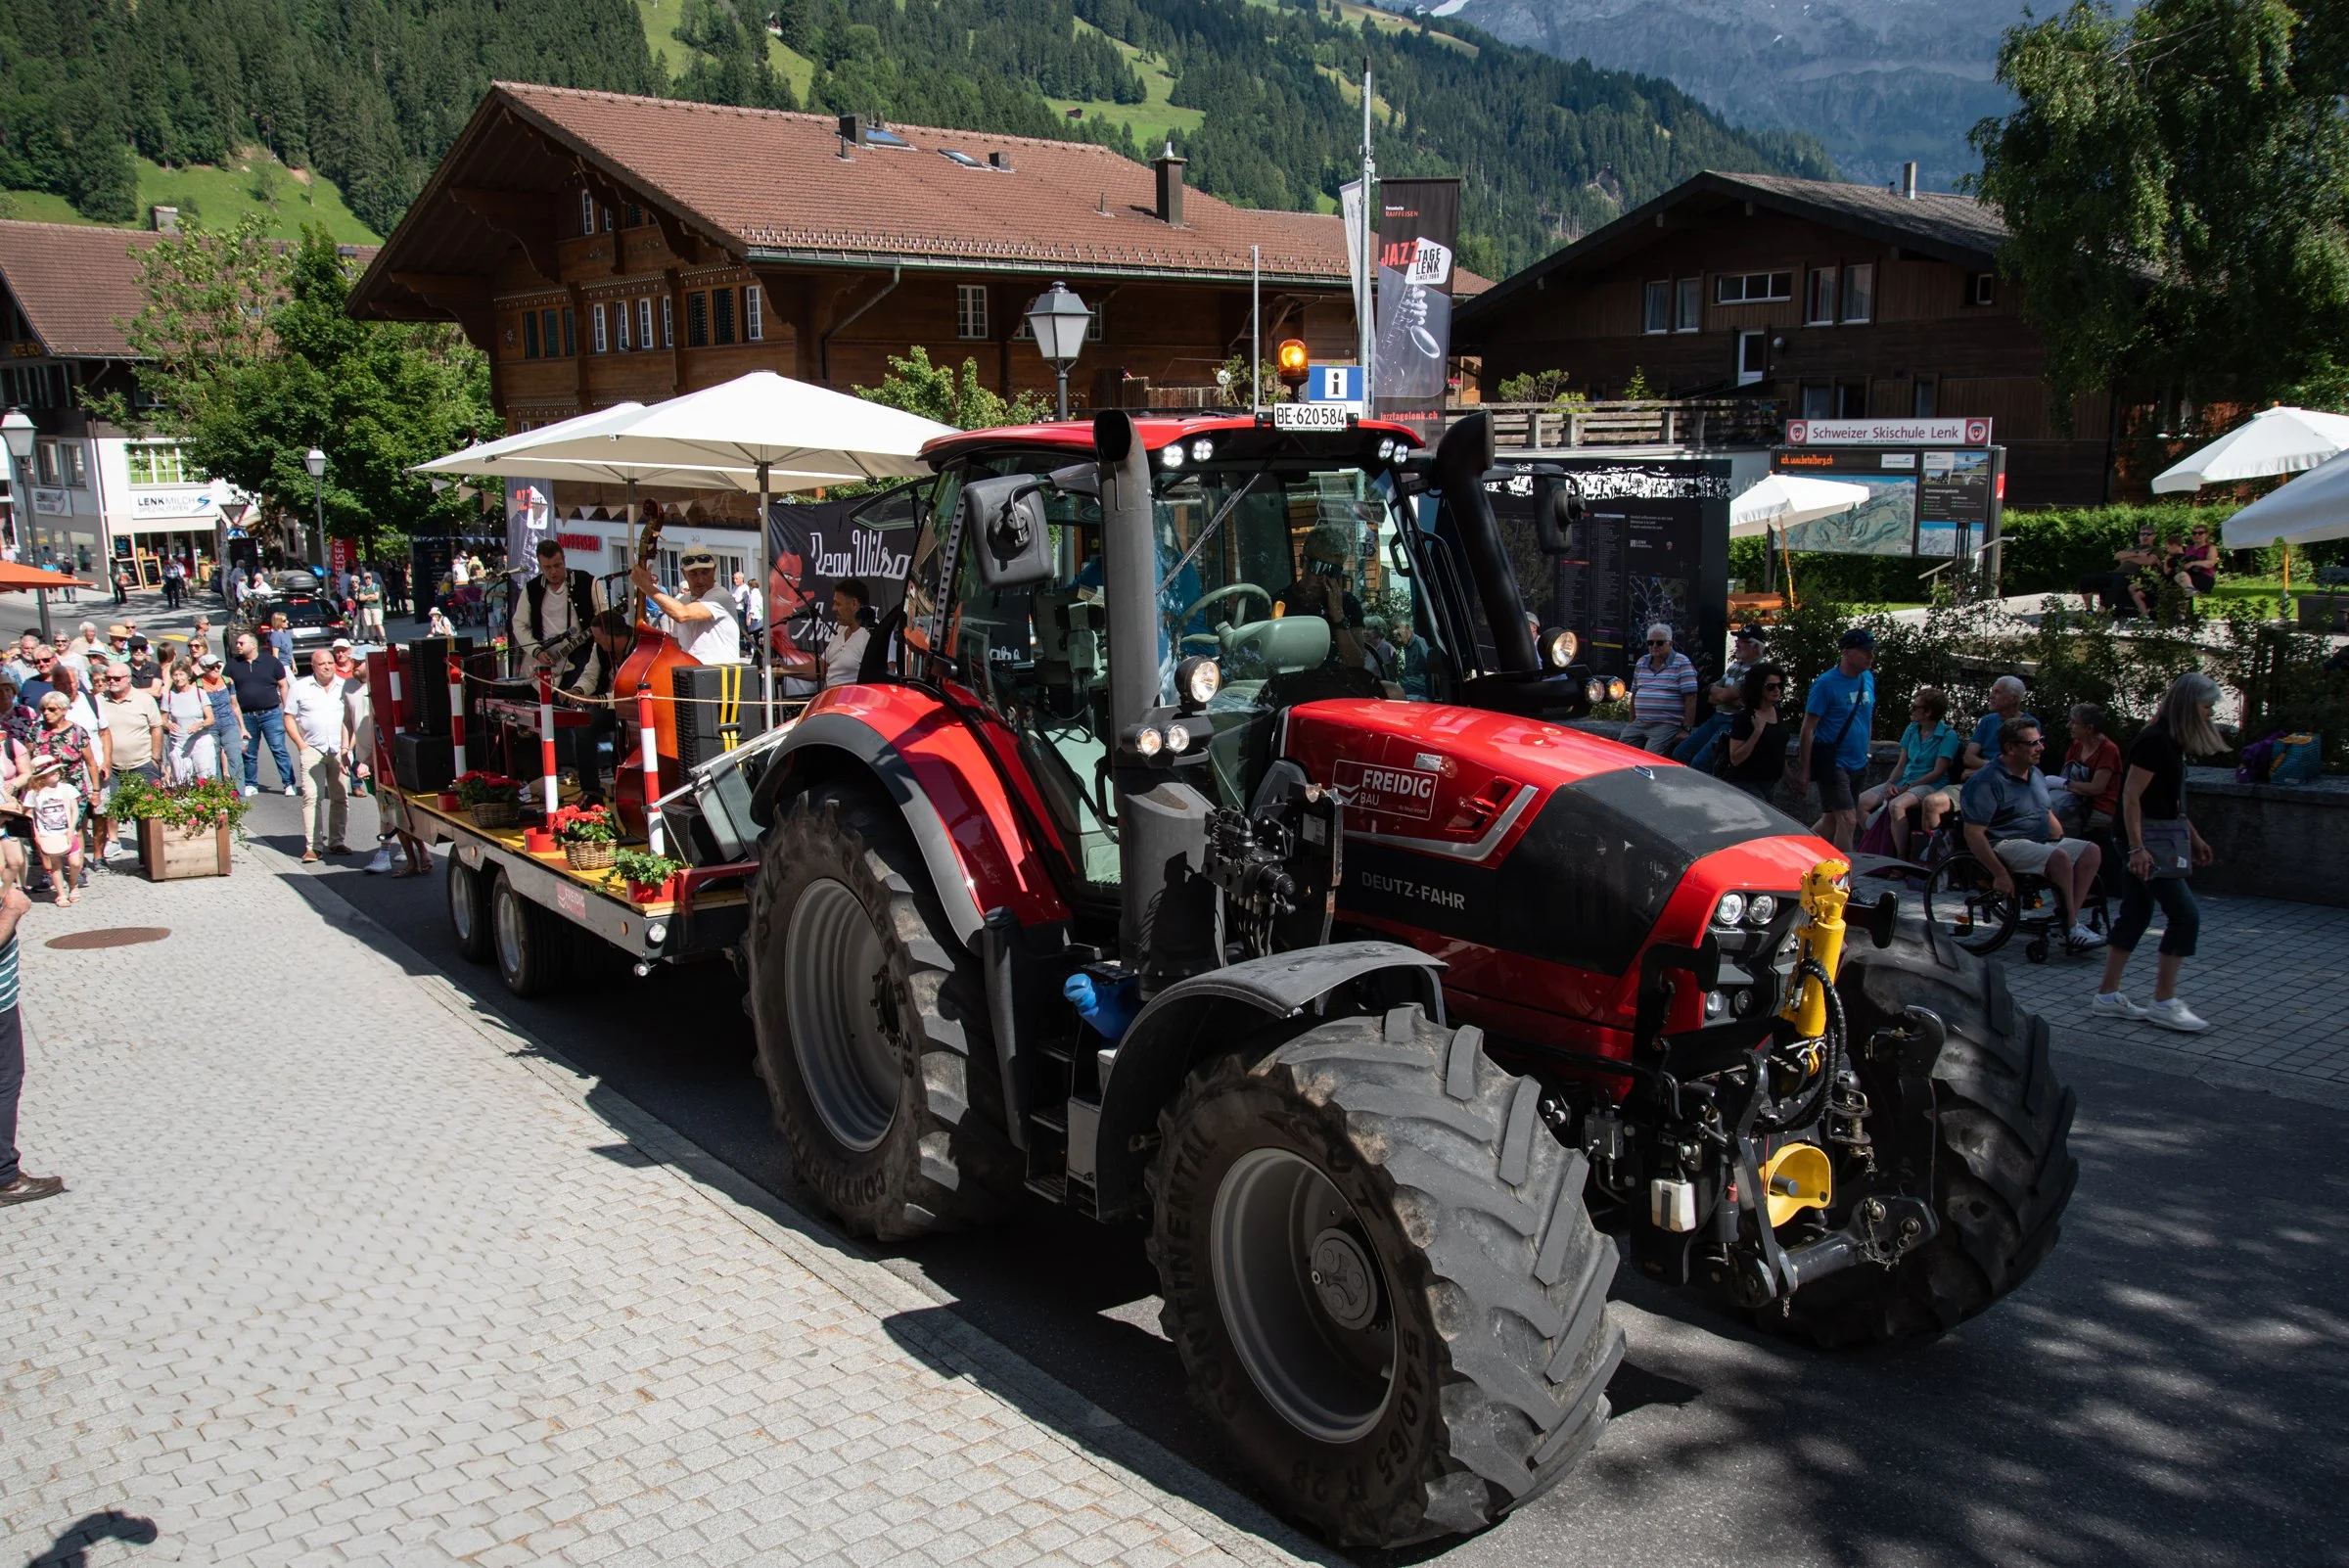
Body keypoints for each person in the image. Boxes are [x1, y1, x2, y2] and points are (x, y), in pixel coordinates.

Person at [2094, 671, 2224, 1030]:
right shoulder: (2155, 741)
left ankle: (2107, 994)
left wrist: (2193, 836)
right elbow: (2131, 796)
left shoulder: (2170, 741)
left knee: (2136, 913)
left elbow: (2167, 801)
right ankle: (2163, 1001)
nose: (2211, 712)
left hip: (2152, 839)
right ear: (2188, 706)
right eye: (2207, 706)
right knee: (2185, 916)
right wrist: (2137, 848)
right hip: (2145, 843)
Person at [1959, 715, 2104, 951]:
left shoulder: (2035, 773)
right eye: (2033, 743)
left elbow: (2044, 810)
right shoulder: (1987, 782)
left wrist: (2059, 836)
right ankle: (2070, 926)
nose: (2041, 747)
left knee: (2090, 851)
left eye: (2041, 741)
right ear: (2010, 748)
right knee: (2060, 859)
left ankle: (2068, 922)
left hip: (2038, 840)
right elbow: (1974, 834)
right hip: (2004, 843)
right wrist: (2000, 874)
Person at [1791, 627, 1877, 852]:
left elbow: (1866, 718)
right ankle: (1845, 879)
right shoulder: (1825, 683)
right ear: (1846, 653)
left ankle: (1798, 851)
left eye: (1872, 651)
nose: (1870, 656)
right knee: (1848, 820)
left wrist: (1867, 751)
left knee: (1831, 819)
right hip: (1833, 763)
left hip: (1859, 761)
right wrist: (1805, 770)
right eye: (1865, 651)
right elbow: (1808, 729)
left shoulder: (1867, 678)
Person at [1862, 687, 1963, 859]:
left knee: (1897, 805)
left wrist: (1907, 788)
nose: (1912, 710)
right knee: (1861, 802)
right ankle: (1881, 845)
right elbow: (1901, 764)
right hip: (1905, 780)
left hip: (1929, 784)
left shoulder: (1948, 735)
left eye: (1916, 707)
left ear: (1928, 712)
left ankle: (1900, 858)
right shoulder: (1912, 729)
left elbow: (1938, 772)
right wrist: (1890, 783)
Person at [286, 649, 349, 863]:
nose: (328, 666)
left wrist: (347, 747)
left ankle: (337, 842)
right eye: (322, 664)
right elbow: (289, 717)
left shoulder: (344, 685)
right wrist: (301, 745)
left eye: (331, 662)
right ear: (313, 666)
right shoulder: (300, 687)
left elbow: (353, 717)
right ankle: (313, 846)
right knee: (312, 797)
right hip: (312, 748)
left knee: (340, 797)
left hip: (340, 749)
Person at [1674, 624, 1766, 772]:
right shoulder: (1736, 665)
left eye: (1742, 641)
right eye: (1737, 640)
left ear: (1756, 647)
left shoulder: (1758, 670)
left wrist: (1721, 694)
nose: (1737, 644)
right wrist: (1723, 695)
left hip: (1733, 721)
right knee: (1681, 752)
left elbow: (1723, 695)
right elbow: (1711, 695)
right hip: (1716, 717)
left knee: (1701, 762)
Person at [515, 537, 606, 684]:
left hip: (582, 651)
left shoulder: (587, 581)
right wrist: (536, 651)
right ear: (540, 566)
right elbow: (519, 624)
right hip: (546, 655)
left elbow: (604, 615)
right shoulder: (532, 589)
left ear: (565, 560)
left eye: (557, 565)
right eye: (547, 567)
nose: (553, 572)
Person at [96, 661, 162, 854]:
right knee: (111, 806)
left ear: (128, 679)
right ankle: (114, 840)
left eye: (116, 678)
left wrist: (155, 757)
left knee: (148, 806)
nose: (112, 682)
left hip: (142, 762)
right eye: (108, 678)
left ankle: (152, 844)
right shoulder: (99, 700)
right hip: (112, 765)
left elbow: (156, 728)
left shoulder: (144, 699)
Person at [631, 547, 741, 664]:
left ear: (714, 570)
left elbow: (682, 614)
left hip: (722, 676)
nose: (700, 579)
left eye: (705, 572)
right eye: (693, 574)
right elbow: (677, 644)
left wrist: (645, 586)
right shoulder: (683, 601)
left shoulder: (721, 596)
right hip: (692, 674)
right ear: (683, 573)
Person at [225, 631, 296, 797]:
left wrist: (287, 710)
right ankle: (251, 783)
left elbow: (283, 685)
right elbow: (227, 691)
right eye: (237, 643)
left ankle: (288, 783)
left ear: (253, 645)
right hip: (246, 716)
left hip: (271, 713)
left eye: (241, 643)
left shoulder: (271, 662)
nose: (237, 646)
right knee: (249, 752)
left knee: (278, 748)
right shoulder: (232, 665)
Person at [780, 578, 873, 691]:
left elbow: (880, 680)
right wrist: (785, 669)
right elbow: (822, 667)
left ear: (854, 604)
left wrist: (838, 690)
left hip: (850, 703)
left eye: (838, 604)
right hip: (829, 700)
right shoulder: (841, 630)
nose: (833, 608)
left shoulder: (873, 633)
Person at [1621, 623, 1699, 754]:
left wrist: (1686, 729)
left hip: (1666, 723)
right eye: (1651, 643)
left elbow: (1691, 697)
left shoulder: (1682, 662)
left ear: (1670, 643)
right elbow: (1634, 694)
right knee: (1619, 750)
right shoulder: (1641, 662)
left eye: (1660, 643)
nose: (1654, 646)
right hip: (1640, 722)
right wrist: (1631, 723)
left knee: (1650, 756)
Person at [1718, 663, 1790, 801]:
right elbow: (1735, 758)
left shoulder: (1778, 712)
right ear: (1758, 688)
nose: (1777, 690)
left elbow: (1778, 749)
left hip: (1770, 782)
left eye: (1779, 685)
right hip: (1746, 783)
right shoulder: (1745, 718)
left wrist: (1791, 778)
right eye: (1771, 686)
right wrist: (1757, 732)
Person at [2054, 703, 2123, 839]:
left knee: (2054, 826)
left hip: (2099, 808)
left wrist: (2063, 784)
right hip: (2074, 801)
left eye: (2073, 723)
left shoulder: (2108, 750)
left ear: (2089, 728)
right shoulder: (2077, 745)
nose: (2069, 726)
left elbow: (2096, 788)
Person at [22, 756, 82, 906]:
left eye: (56, 770)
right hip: (47, 834)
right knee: (55, 865)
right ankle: (61, 894)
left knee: (75, 863)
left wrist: (71, 828)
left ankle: (73, 885)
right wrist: (36, 834)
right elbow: (29, 815)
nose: (56, 773)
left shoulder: (66, 788)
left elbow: (75, 810)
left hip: (67, 832)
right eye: (50, 771)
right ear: (41, 777)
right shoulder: (34, 794)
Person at [2079, 523, 2169, 618]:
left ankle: (2103, 609)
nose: (2144, 536)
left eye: (2148, 534)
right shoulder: (2133, 548)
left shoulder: (2156, 549)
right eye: (2142, 534)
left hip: (2134, 576)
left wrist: (2128, 558)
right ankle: (2089, 609)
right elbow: (2117, 556)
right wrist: (2137, 553)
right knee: (2086, 579)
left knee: (2121, 579)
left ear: (2154, 536)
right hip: (2116, 573)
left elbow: (2148, 561)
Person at [1962, 675, 2031, 779]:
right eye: (1992, 691)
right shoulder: (1987, 721)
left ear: (2013, 699)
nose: (1991, 696)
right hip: (1980, 778)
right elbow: (1968, 758)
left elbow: (2019, 765)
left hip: (2008, 783)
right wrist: (1991, 768)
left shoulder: (2029, 726)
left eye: (1997, 692)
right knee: (1937, 796)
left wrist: (1983, 770)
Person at [161, 665, 215, 784]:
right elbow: (163, 720)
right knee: (181, 781)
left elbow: (211, 719)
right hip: (178, 743)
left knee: (205, 778)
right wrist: (168, 725)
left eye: (181, 674)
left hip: (200, 742)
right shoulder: (168, 696)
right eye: (175, 675)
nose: (178, 678)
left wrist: (199, 724)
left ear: (188, 676)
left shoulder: (199, 693)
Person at [196, 653, 243, 787]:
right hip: (211, 727)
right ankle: (219, 795)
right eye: (212, 667)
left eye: (218, 665)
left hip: (229, 723)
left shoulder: (228, 681)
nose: (217, 669)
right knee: (213, 761)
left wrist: (242, 728)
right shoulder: (198, 685)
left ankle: (240, 796)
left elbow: (235, 705)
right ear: (204, 669)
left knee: (235, 759)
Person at [2172, 522, 2219, 606]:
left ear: (2206, 535)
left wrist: (2193, 563)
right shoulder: (2189, 548)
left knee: (2182, 577)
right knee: (2177, 578)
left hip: (2204, 577)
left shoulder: (2210, 548)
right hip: (2189, 576)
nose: (2197, 535)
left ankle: (2191, 592)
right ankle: (2186, 614)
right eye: (2194, 533)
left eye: (2200, 533)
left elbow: (2211, 563)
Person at [732, 571, 764, 644]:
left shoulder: (753, 593)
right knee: (755, 634)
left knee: (751, 633)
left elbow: (752, 606)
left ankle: (751, 648)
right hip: (758, 616)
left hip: (753, 617)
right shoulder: (757, 592)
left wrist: (749, 618)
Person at [356, 568, 385, 641]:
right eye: (366, 578)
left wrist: (366, 597)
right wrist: (370, 596)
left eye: (369, 578)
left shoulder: (376, 586)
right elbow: (361, 598)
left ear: (371, 578)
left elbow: (376, 597)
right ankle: (375, 638)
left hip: (376, 607)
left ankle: (383, 638)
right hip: (366, 607)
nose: (367, 579)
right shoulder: (362, 587)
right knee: (370, 624)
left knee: (378, 623)